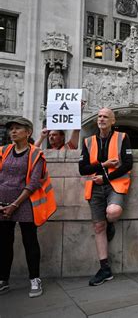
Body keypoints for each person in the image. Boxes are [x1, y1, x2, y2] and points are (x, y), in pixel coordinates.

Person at [0, 117, 56, 298]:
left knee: (29, 241)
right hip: (2, 204)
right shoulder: (4, 150)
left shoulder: (35, 153)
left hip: (24, 203)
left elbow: (34, 183)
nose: (13, 132)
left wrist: (15, 204)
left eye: (17, 128)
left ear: (28, 132)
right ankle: (3, 279)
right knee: (4, 243)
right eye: (11, 129)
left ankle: (34, 279)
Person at [78, 108, 133, 286]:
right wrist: (104, 164)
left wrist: (106, 176)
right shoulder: (88, 141)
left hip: (115, 184)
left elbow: (127, 164)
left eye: (105, 117)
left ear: (113, 121)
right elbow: (82, 169)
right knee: (98, 227)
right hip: (94, 187)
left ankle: (111, 224)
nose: (101, 119)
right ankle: (104, 268)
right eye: (99, 116)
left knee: (113, 212)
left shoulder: (122, 137)